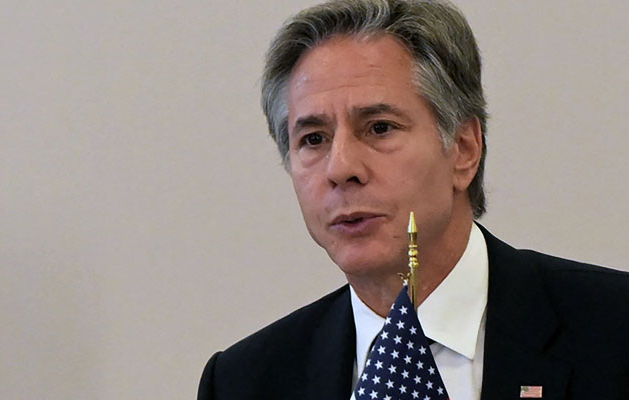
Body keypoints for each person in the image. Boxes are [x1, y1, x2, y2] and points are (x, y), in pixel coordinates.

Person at [198, 1, 629, 399]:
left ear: (464, 148)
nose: (341, 168)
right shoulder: (245, 382)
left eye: (379, 127)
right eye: (313, 139)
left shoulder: (614, 328)